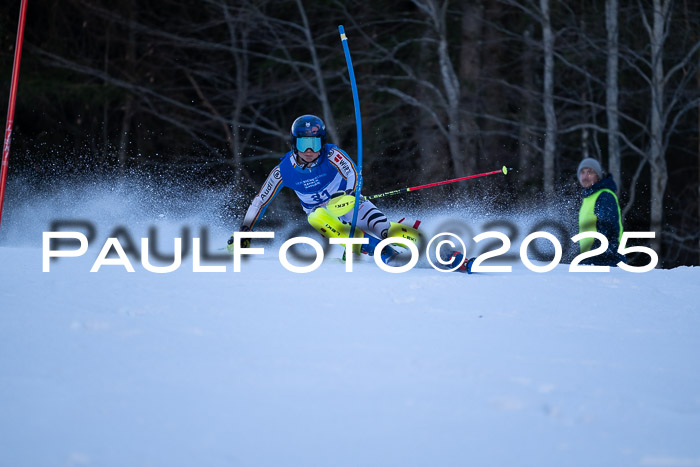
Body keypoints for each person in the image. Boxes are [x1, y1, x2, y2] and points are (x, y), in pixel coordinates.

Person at [228, 114, 401, 264]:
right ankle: (385, 252)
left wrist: (350, 193)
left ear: (323, 143)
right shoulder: (283, 170)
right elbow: (260, 201)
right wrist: (246, 229)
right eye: (303, 144)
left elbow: (352, 172)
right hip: (322, 215)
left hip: (346, 203)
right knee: (316, 216)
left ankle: (414, 243)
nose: (309, 151)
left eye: (315, 144)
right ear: (295, 144)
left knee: (383, 228)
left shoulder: (332, 154)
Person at [576, 157, 627, 266]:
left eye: (590, 172)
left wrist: (594, 255)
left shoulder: (604, 196)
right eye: (582, 172)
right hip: (594, 258)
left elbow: (608, 228)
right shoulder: (588, 198)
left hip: (608, 259)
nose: (585, 176)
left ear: (597, 176)